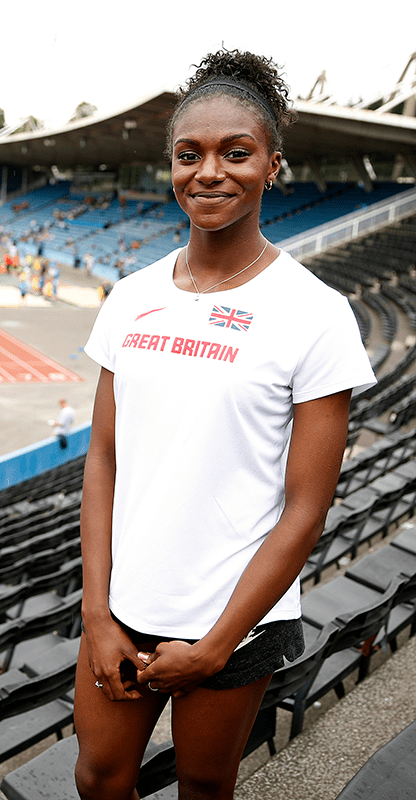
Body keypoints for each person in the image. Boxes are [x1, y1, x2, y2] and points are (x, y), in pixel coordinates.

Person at [74, 48, 376, 800]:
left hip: (236, 619)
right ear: (169, 166)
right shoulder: (130, 297)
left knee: (206, 788)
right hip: (124, 608)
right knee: (97, 778)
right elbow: (104, 457)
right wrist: (96, 613)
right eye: (189, 154)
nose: (209, 172)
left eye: (236, 152)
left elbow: (307, 506)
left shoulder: (316, 313)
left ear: (273, 164)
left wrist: (214, 649)